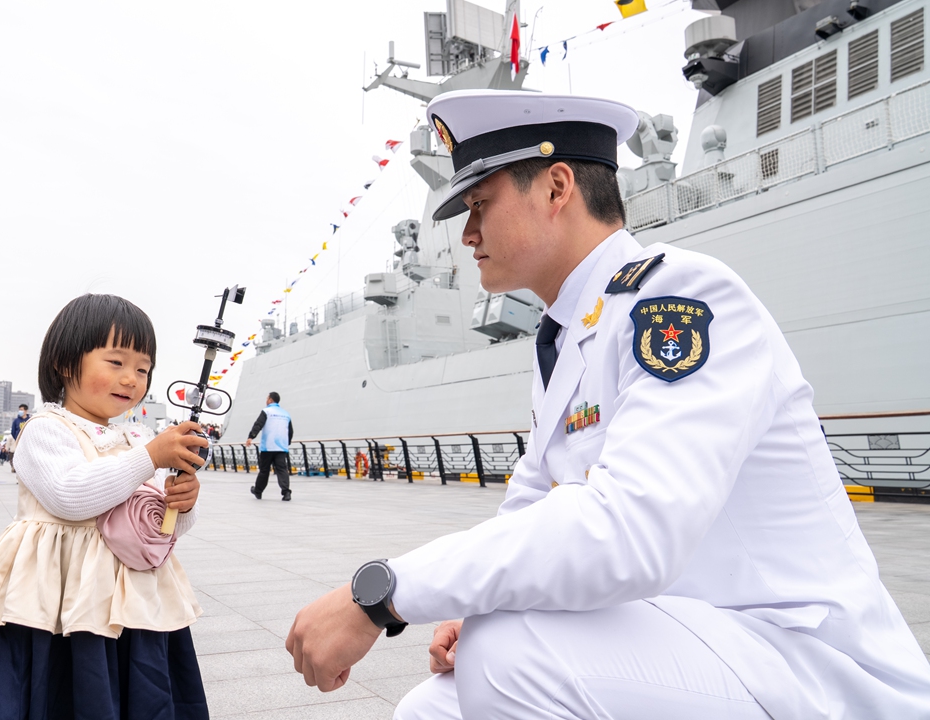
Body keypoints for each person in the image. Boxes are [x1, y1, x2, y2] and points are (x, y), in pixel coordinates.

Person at [284, 91, 930, 719]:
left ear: (557, 187)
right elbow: (527, 511)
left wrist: (382, 596)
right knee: (432, 705)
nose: (469, 234)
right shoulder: (568, 337)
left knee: (511, 659)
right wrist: (466, 608)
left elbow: (629, 532)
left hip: (801, 659)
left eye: (480, 204)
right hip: (700, 640)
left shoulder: (678, 296)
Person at [0, 293, 209, 718]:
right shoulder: (46, 429)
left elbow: (154, 529)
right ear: (64, 361)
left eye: (143, 368)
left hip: (128, 604)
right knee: (54, 689)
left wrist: (180, 506)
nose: (131, 378)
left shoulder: (135, 436)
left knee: (131, 692)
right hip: (50, 605)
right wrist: (150, 457)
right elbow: (71, 496)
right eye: (116, 362)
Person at [245, 391, 293, 501]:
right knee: (282, 470)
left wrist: (251, 437)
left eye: (267, 398)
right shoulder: (286, 414)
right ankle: (286, 492)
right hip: (281, 448)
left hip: (268, 447)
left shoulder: (266, 411)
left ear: (270, 400)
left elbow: (258, 424)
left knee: (264, 470)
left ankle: (258, 491)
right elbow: (290, 431)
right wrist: (287, 442)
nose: (266, 400)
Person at [8, 403, 29, 472]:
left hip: (27, 442)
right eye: (19, 410)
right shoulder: (16, 421)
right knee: (18, 458)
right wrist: (17, 438)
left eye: (22, 410)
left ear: (26, 411)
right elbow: (13, 432)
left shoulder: (29, 420)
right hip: (18, 442)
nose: (20, 411)